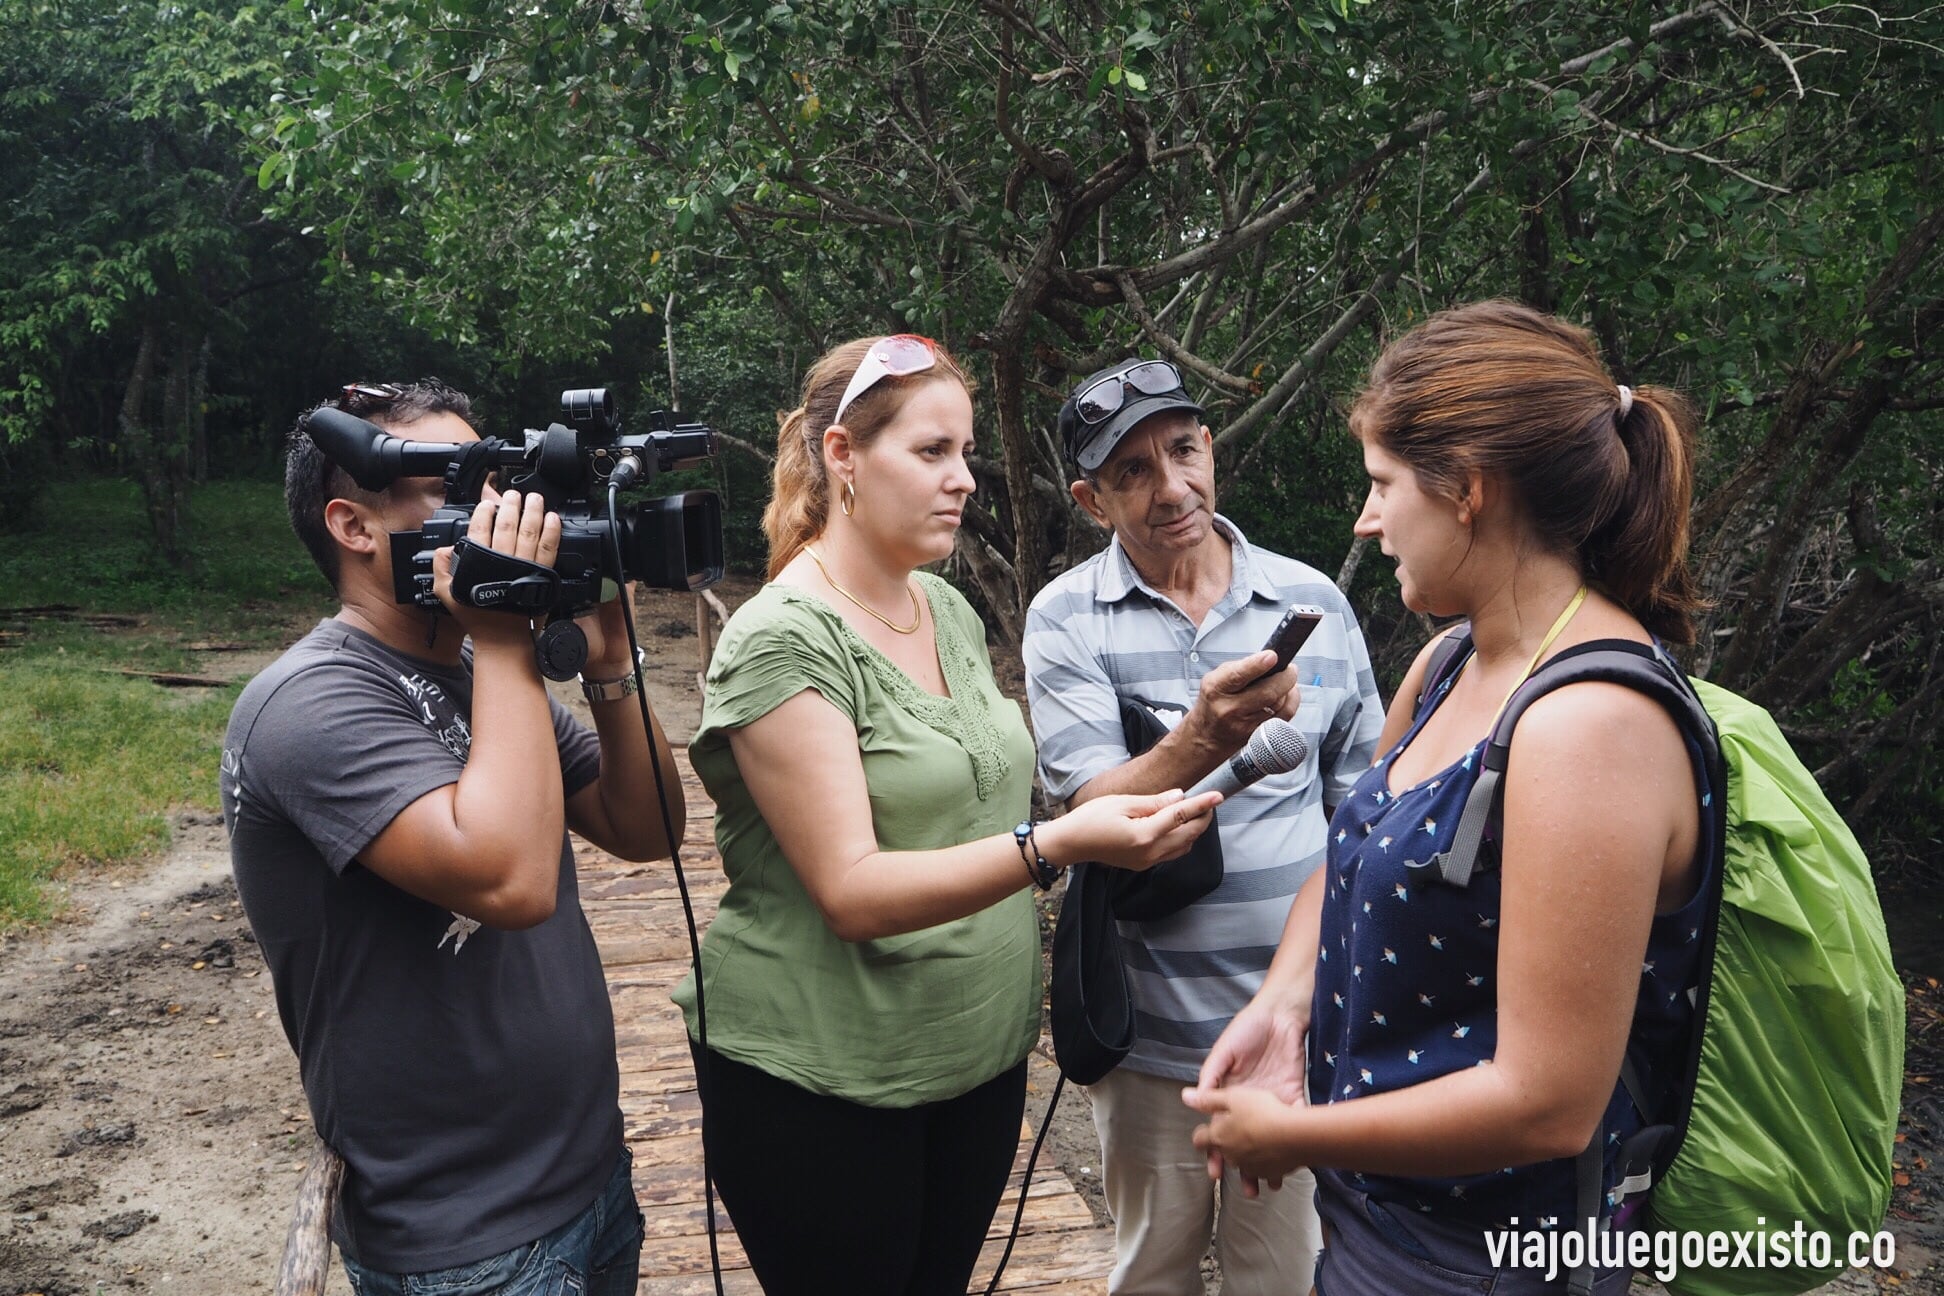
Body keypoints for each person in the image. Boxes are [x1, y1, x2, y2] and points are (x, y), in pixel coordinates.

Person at [1183, 301, 1711, 1294]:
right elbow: (1353, 854)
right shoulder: (1448, 664)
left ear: (1467, 490)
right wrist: (1283, 1004)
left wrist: (1296, 1134)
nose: (1366, 519)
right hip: (1381, 1224)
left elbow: (1548, 1101)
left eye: (1382, 486)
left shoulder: (1590, 727)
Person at [675, 335, 1221, 1295]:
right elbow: (851, 890)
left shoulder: (944, 606)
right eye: (932, 453)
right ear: (842, 455)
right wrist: (1056, 845)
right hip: (827, 1081)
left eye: (965, 454)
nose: (963, 480)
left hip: (975, 1060)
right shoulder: (781, 639)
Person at [222, 380, 683, 1295]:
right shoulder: (307, 704)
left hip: (588, 1176)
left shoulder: (474, 666)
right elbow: (510, 884)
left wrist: (612, 664)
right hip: (463, 1235)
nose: (504, 512)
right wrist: (510, 637)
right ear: (356, 527)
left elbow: (648, 827)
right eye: (463, 491)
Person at [1022, 358, 1384, 1295]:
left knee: (1290, 1275)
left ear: (1210, 449)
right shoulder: (1067, 617)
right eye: (1131, 472)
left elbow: (1363, 815)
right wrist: (1202, 736)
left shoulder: (1317, 605)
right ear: (1091, 499)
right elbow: (1092, 811)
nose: (1170, 487)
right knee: (1153, 1270)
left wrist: (1332, 997)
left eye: (1182, 451)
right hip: (1150, 1039)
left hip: (1300, 1032)